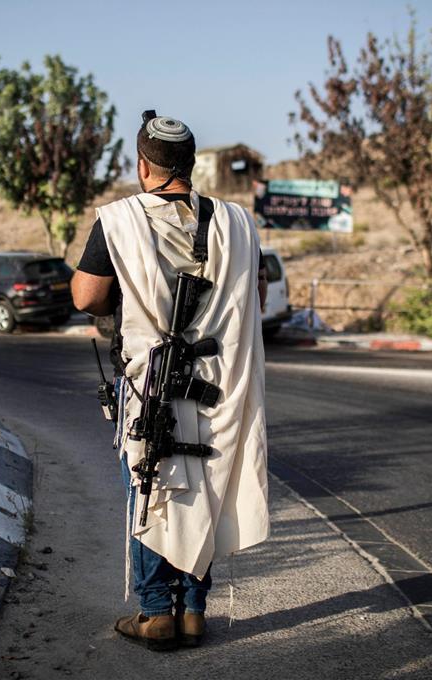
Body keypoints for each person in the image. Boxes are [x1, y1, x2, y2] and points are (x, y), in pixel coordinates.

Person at [72, 111, 270, 651]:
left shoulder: (119, 220)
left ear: (143, 166)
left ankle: (157, 613)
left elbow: (86, 297)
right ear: (190, 164)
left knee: (151, 484)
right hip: (218, 380)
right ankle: (194, 611)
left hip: (149, 381)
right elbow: (257, 296)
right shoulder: (236, 222)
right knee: (203, 487)